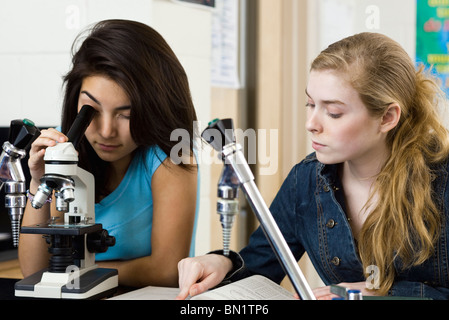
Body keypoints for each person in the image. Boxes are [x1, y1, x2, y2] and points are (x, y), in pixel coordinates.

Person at [176, 32, 449, 300]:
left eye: (333, 112)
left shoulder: (443, 180)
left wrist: (376, 294)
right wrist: (221, 264)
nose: (311, 124)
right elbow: (259, 267)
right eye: (310, 104)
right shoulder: (305, 181)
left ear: (387, 117)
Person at [19, 19, 199, 288]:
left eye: (126, 115)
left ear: (154, 109)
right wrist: (37, 183)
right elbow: (33, 273)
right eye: (91, 109)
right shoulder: (64, 145)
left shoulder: (172, 155)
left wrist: (75, 273)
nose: (106, 131)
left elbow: (166, 271)